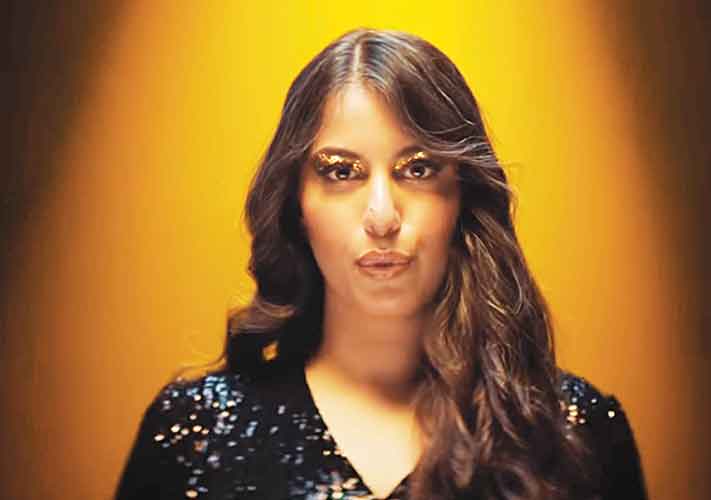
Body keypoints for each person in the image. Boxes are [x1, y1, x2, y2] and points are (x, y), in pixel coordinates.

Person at [115, 28, 647, 500]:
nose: (382, 217)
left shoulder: (577, 432)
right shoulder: (195, 431)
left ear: (463, 196)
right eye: (341, 172)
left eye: (417, 169)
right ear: (296, 204)